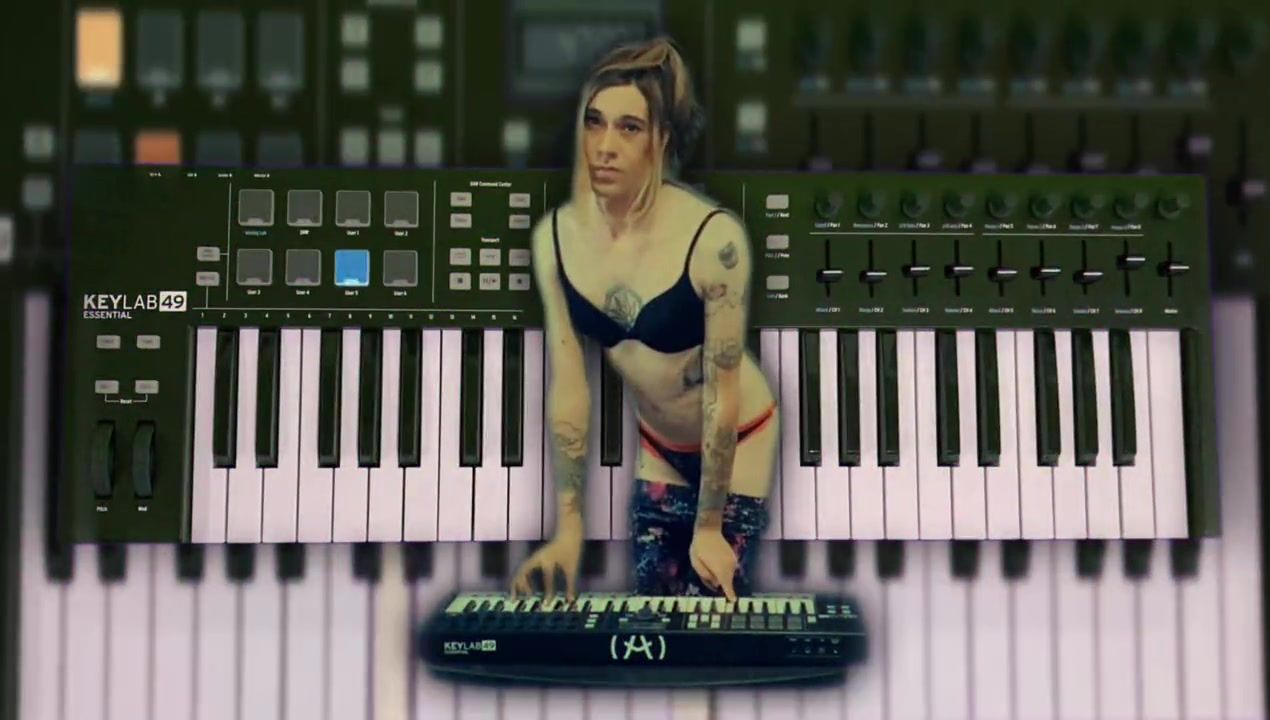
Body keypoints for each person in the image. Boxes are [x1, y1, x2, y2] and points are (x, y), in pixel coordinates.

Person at [510, 36, 780, 603]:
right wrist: (569, 530)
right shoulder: (553, 240)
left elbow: (723, 393)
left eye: (629, 128)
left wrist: (709, 526)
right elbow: (570, 388)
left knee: (715, 616)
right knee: (652, 612)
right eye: (595, 123)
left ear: (661, 141)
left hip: (740, 437)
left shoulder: (715, 240)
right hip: (660, 444)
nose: (605, 146)